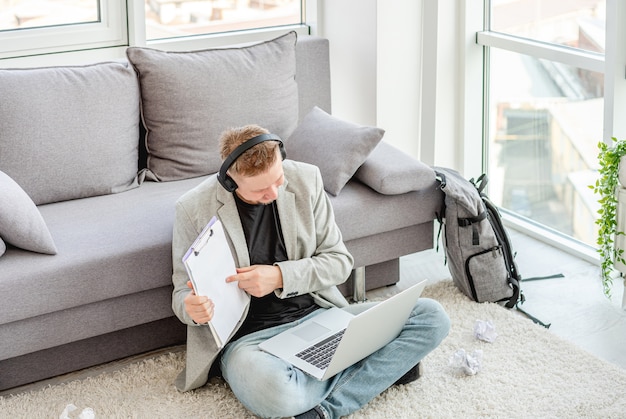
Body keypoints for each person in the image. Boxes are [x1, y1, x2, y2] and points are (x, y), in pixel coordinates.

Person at [171, 124, 450, 419]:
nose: (273, 192)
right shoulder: (192, 209)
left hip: (322, 317)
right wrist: (192, 308)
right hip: (252, 344)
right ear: (230, 182)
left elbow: (339, 262)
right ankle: (382, 367)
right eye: (260, 190)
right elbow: (181, 292)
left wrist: (279, 277)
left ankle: (323, 410)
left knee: (431, 316)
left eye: (278, 180)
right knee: (276, 393)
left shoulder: (305, 179)